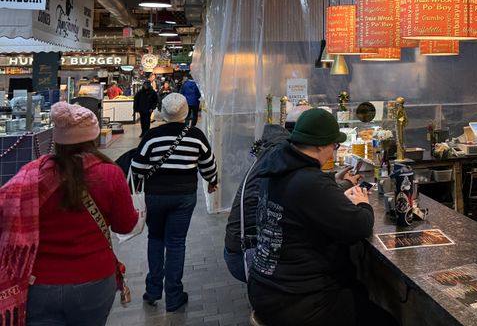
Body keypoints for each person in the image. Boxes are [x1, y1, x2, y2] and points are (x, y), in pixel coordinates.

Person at [247, 108, 393, 326]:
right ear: (318, 145)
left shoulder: (275, 169)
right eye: (334, 146)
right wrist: (362, 202)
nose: (334, 153)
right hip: (299, 301)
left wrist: (331, 184)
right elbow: (358, 226)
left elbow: (303, 202)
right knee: (385, 321)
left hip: (266, 288)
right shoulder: (309, 182)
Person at [0, 102, 138, 326]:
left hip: (39, 282)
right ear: (92, 138)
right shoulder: (109, 174)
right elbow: (125, 225)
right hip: (94, 279)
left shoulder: (32, 175)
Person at [224, 106, 361, 283]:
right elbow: (306, 192)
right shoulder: (280, 153)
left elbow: (300, 191)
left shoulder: (279, 153)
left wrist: (332, 179)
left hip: (243, 246)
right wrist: (348, 187)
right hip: (248, 252)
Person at [131, 93, 218, 312]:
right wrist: (212, 181)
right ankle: (173, 295)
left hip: (155, 196)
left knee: (156, 238)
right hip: (183, 197)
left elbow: (137, 168)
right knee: (176, 243)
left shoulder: (152, 135)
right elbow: (208, 163)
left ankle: (152, 291)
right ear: (186, 112)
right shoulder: (195, 135)